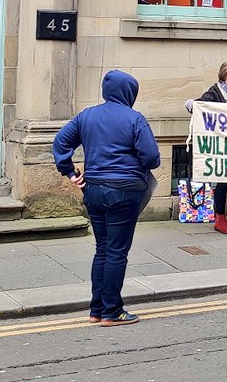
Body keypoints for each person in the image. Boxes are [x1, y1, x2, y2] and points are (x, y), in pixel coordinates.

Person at [52, 70, 161, 327]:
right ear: (129, 93)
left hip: (93, 190)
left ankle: (96, 309)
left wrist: (69, 172)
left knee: (102, 249)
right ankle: (112, 311)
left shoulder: (87, 116)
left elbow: (60, 142)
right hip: (125, 190)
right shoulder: (135, 119)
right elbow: (152, 158)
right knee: (116, 252)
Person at [185, 62, 227, 235]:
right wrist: (193, 104)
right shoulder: (214, 93)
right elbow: (201, 107)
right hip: (222, 147)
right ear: (224, 76)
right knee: (223, 181)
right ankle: (220, 218)